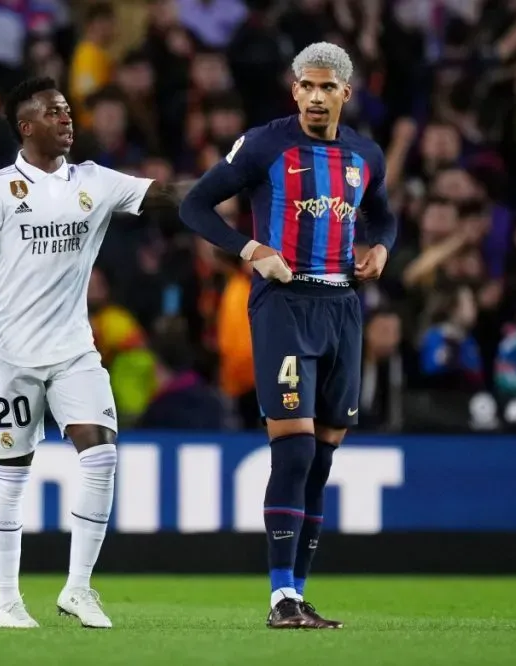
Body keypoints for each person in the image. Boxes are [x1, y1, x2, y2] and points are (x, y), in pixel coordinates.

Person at [179, 42, 397, 629]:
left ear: (346, 93)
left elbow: (382, 214)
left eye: (328, 87)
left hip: (342, 307)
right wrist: (251, 250)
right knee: (295, 450)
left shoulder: (365, 154)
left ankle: (297, 595)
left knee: (322, 458)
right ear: (294, 89)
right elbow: (195, 206)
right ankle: (279, 598)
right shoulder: (264, 145)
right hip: (283, 303)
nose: (317, 97)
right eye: (308, 86)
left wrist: (381, 247)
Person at [0, 76, 178, 630]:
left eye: (67, 111)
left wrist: (231, 175)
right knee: (11, 477)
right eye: (54, 112)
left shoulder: (94, 181)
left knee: (101, 456)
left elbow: (164, 195)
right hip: (10, 354)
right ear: (26, 127)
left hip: (74, 350)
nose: (66, 119)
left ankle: (78, 588)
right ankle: (8, 602)